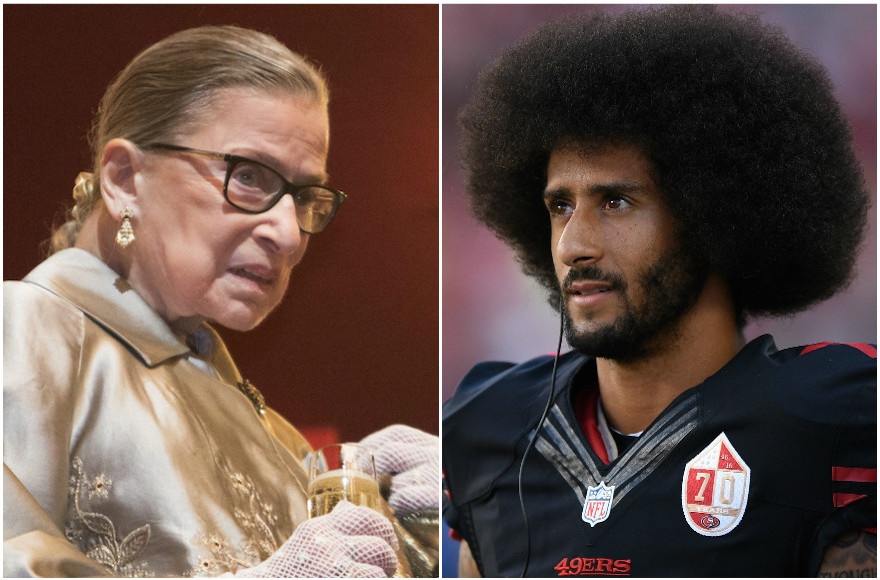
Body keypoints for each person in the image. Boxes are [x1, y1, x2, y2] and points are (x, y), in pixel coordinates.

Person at [442, 5, 875, 577]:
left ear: (714, 214)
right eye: (560, 206)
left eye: (615, 201)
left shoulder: (841, 415)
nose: (574, 244)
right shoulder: (485, 424)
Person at [4, 25, 438, 577]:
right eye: (249, 176)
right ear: (124, 179)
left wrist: (430, 538)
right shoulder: (21, 327)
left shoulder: (273, 436)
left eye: (304, 196)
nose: (287, 232)